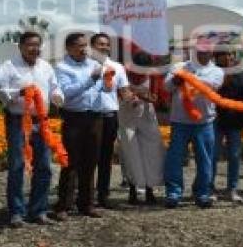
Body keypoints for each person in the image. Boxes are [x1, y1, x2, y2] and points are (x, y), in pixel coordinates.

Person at [0, 31, 64, 227]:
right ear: (21, 47)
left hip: (41, 120)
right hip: (18, 121)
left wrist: (58, 96)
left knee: (44, 166)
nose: (34, 48)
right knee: (17, 166)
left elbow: (54, 88)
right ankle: (16, 212)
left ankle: (38, 210)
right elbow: (0, 90)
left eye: (37, 45)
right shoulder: (9, 66)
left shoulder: (46, 67)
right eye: (30, 45)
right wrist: (18, 92)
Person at [163, 40, 224, 208]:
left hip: (204, 122)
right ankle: (173, 193)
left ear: (211, 54)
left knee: (205, 160)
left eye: (205, 52)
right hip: (179, 121)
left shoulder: (217, 71)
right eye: (198, 52)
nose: (201, 55)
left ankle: (202, 193)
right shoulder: (178, 67)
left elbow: (210, 86)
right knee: (174, 159)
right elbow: (166, 86)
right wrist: (175, 81)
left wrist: (186, 78)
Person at [54, 32, 106, 218]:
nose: (84, 49)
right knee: (70, 162)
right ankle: (63, 205)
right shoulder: (62, 67)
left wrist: (107, 84)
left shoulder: (95, 64)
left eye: (86, 45)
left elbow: (104, 89)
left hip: (94, 117)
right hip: (74, 118)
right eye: (80, 45)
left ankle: (87, 204)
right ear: (69, 48)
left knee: (91, 162)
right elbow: (67, 93)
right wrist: (90, 80)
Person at [88, 33, 130, 209]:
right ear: (92, 46)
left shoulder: (117, 67)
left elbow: (124, 91)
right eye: (100, 44)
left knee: (106, 158)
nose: (104, 47)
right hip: (90, 116)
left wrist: (134, 97)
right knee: (89, 158)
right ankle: (86, 196)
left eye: (107, 44)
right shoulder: (85, 65)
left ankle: (103, 195)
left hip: (110, 116)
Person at [118, 54, 165, 205]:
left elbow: (155, 98)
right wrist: (131, 97)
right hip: (127, 117)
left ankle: (150, 190)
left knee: (152, 152)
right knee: (130, 152)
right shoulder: (122, 73)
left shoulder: (153, 76)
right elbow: (118, 93)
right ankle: (133, 189)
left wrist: (141, 96)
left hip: (146, 116)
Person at [211, 49, 243, 204]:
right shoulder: (212, 72)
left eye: (229, 54)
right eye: (222, 55)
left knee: (234, 156)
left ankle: (232, 188)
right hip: (216, 119)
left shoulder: (242, 73)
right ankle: (209, 187)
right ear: (216, 58)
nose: (226, 57)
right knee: (213, 155)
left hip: (235, 121)